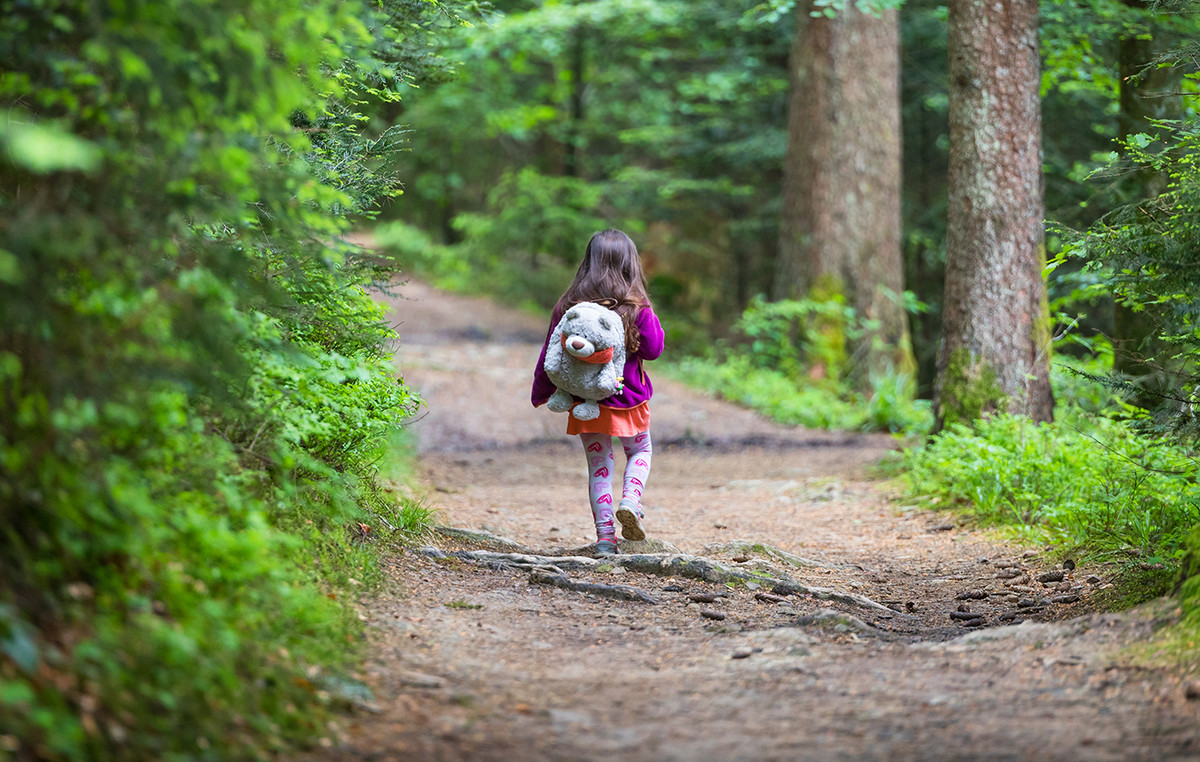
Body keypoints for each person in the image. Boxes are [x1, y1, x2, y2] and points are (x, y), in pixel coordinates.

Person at [532, 229, 665, 555]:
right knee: (640, 452)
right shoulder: (636, 306)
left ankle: (605, 540)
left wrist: (542, 390)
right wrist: (644, 310)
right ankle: (631, 500)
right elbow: (654, 349)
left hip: (585, 402)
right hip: (627, 399)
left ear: (588, 263)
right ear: (630, 264)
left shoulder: (569, 305)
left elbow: (551, 349)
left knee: (599, 468)